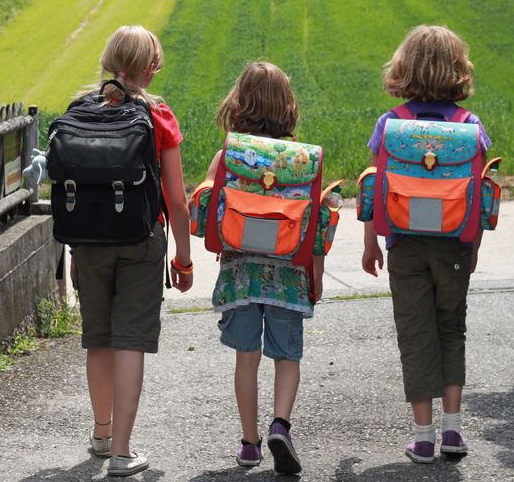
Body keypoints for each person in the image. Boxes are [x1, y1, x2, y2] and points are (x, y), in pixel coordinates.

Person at [361, 25, 492, 464]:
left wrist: (371, 243)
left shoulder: (391, 123)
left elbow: (374, 188)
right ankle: (453, 432)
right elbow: (480, 190)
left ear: (404, 67)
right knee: (451, 329)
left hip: (404, 243)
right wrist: (472, 247)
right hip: (455, 244)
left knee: (415, 335)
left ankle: (422, 437)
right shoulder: (468, 126)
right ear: (458, 70)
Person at [70, 25, 193, 477]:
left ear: (108, 59)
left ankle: (101, 434)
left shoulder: (80, 107)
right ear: (151, 68)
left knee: (97, 338)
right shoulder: (158, 115)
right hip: (142, 240)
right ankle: (123, 452)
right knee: (129, 342)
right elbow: (177, 201)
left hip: (87, 242)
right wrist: (183, 257)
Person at [202, 62, 326, 475]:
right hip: (289, 277)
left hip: (240, 274)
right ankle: (281, 425)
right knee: (287, 355)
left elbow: (204, 214)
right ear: (287, 106)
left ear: (239, 103)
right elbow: (315, 226)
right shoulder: (302, 161)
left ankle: (250, 442)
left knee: (247, 357)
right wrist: (316, 277)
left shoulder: (228, 156)